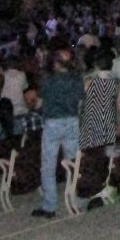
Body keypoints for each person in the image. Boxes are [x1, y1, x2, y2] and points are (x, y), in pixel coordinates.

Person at [32, 49, 84, 219]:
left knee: (48, 165)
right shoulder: (77, 79)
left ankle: (50, 205)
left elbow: (38, 104)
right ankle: (76, 199)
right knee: (73, 162)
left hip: (53, 123)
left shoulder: (48, 80)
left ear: (55, 63)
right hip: (72, 121)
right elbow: (80, 102)